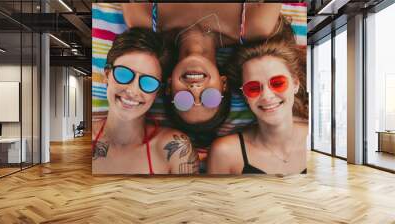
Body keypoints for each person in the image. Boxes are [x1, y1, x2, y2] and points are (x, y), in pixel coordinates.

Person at [123, 3, 283, 127]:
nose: (195, 89)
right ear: (224, 83)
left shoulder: (142, 18)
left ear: (169, 86)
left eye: (183, 100)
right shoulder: (256, 24)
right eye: (210, 98)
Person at [92, 28, 199, 174]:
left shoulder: (177, 149)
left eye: (148, 82)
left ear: (159, 91)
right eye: (123, 74)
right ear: (107, 74)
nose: (132, 91)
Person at [207, 38, 308, 175]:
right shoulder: (225, 152)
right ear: (244, 96)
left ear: (295, 84)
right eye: (253, 88)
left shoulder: (319, 140)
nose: (266, 96)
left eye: (278, 83)